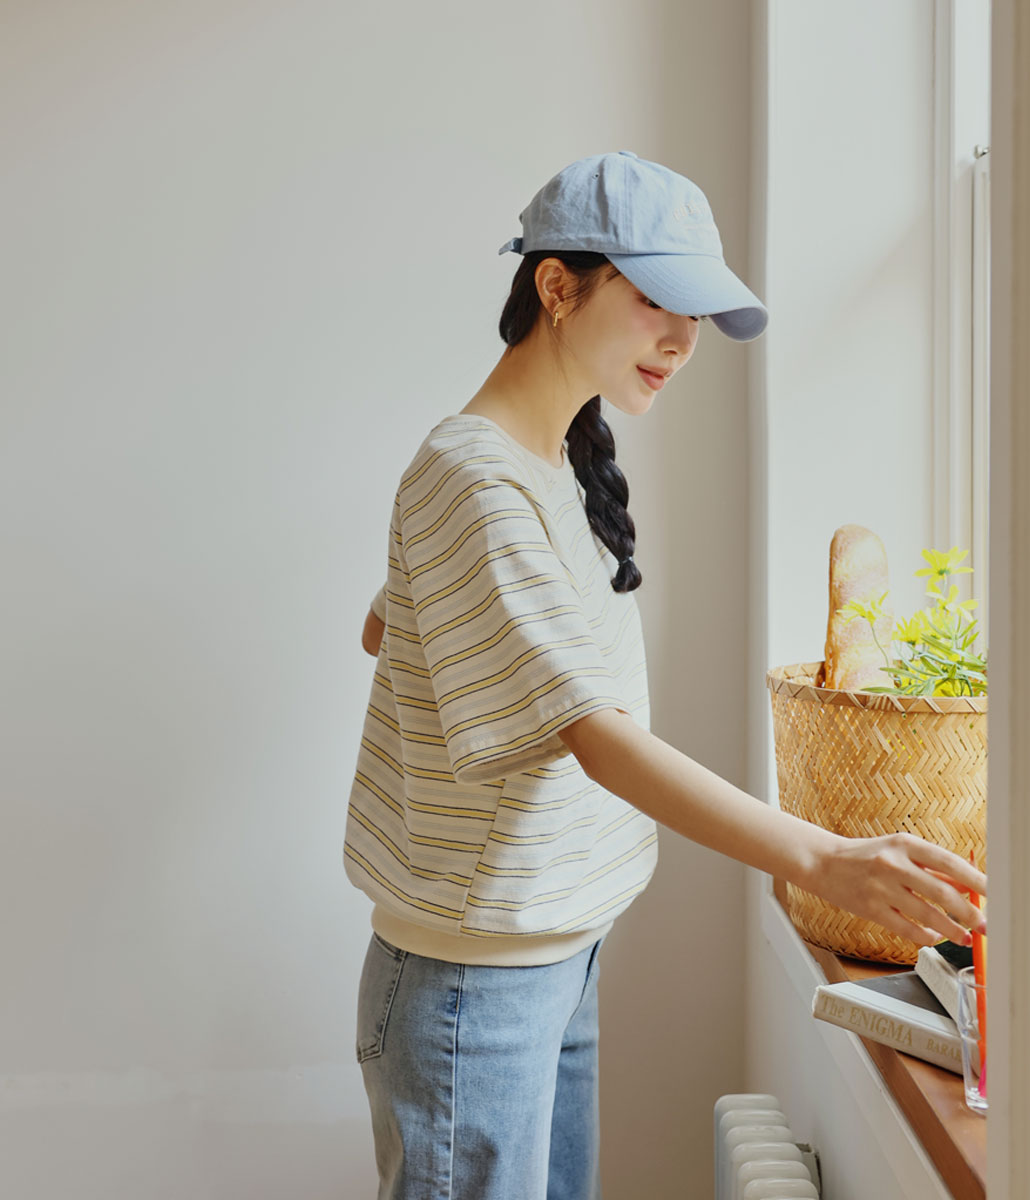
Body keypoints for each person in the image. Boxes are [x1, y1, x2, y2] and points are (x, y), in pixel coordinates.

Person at [344, 150, 986, 1200]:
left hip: (550, 950)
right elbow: (596, 737)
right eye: (657, 304)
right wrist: (823, 859)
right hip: (473, 980)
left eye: (700, 316)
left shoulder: (545, 464)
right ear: (558, 286)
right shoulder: (472, 475)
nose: (685, 343)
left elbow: (389, 628)